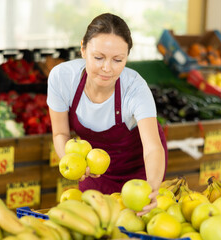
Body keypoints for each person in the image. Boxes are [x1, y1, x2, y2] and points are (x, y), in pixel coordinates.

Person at [47, 13, 167, 215]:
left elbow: (153, 148)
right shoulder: (62, 78)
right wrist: (71, 161)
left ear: (127, 57)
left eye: (118, 60)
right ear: (83, 49)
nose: (107, 68)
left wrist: (152, 187)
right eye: (98, 58)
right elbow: (60, 134)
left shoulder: (135, 89)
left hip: (139, 170)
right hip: (94, 172)